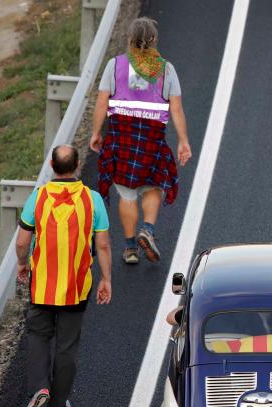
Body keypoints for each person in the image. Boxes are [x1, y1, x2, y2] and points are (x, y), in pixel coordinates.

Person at [15, 145, 112, 407]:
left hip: (42, 284)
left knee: (38, 335)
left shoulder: (38, 197)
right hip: (77, 286)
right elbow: (102, 245)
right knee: (67, 344)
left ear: (51, 165)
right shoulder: (93, 200)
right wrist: (106, 279)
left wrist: (22, 264)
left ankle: (39, 390)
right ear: (78, 165)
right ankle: (57, 404)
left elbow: (23, 240)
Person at [90, 17, 191, 265]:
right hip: (151, 136)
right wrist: (183, 141)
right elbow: (176, 108)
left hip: (121, 135)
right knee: (153, 185)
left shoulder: (115, 66)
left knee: (126, 194)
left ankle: (130, 248)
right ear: (154, 40)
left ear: (129, 39)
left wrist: (95, 133)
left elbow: (102, 102)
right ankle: (147, 228)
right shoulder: (166, 69)